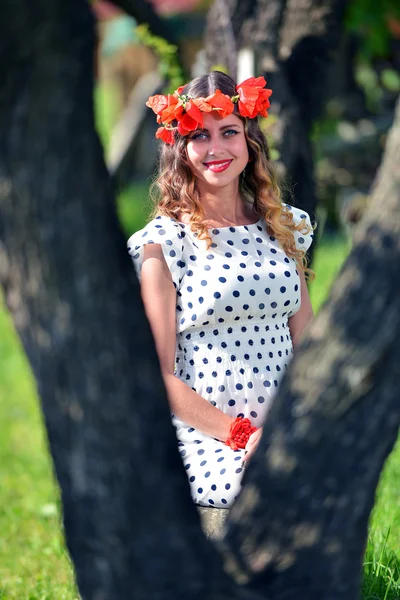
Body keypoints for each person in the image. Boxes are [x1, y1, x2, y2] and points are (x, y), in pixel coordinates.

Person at [127, 71, 315, 508]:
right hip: (211, 434)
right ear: (182, 151)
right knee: (264, 487)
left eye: (229, 132)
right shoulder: (165, 242)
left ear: (249, 141)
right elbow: (159, 373)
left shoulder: (286, 226)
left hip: (288, 423)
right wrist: (243, 436)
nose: (215, 149)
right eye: (198, 136)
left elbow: (308, 343)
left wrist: (294, 425)